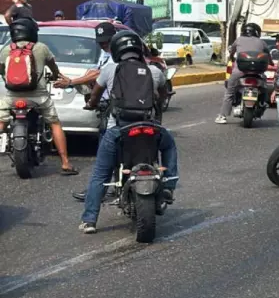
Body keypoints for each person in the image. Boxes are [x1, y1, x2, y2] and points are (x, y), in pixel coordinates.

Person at [80, 30, 176, 234]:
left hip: (119, 129)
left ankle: (89, 220)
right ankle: (169, 184)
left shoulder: (109, 69)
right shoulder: (154, 71)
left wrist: (91, 104)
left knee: (100, 172)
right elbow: (163, 96)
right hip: (149, 128)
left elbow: (95, 95)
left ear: (116, 50)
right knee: (168, 144)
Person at [0, 18, 76, 175]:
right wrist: (55, 76)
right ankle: (66, 163)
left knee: (1, 122)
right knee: (54, 123)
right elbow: (54, 68)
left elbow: (2, 71)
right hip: (38, 96)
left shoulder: (6, 50)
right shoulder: (41, 48)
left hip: (12, 96)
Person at [215, 23, 266, 124]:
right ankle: (262, 103)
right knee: (264, 85)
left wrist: (231, 57)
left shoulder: (238, 40)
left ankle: (223, 116)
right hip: (258, 73)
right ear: (257, 32)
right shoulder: (262, 42)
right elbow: (267, 55)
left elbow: (232, 51)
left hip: (239, 71)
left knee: (229, 92)